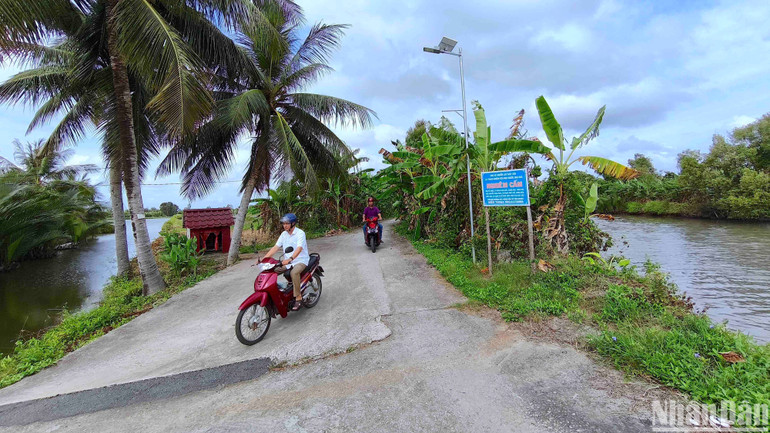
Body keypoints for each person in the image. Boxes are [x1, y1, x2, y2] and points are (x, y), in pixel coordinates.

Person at [261, 213, 309, 311]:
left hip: (301, 260)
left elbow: (299, 248)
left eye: (287, 223)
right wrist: (264, 259)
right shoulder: (284, 234)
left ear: (293, 223)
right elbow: (275, 247)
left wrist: (290, 259)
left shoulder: (300, 233)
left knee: (294, 272)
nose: (285, 225)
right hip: (287, 262)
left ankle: (298, 297)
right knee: (271, 270)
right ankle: (275, 294)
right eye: (283, 223)